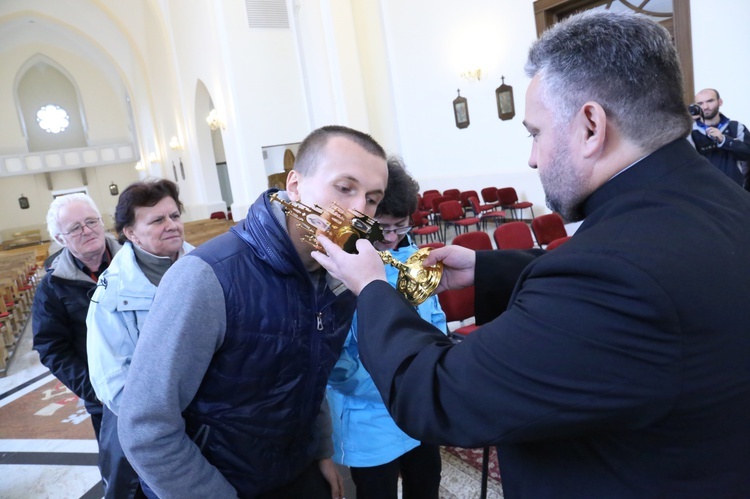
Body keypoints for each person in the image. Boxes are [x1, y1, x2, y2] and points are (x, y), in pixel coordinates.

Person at [312, 11, 750, 498]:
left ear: (590, 126)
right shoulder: (721, 201)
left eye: (535, 132)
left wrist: (373, 288)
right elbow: (644, 275)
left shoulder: (616, 273)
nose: (533, 158)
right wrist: (484, 270)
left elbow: (441, 397)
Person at [118, 125, 388, 498]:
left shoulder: (339, 276)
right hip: (219, 483)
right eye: (345, 188)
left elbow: (312, 374)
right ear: (295, 184)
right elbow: (145, 426)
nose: (359, 210)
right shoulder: (207, 276)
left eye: (372, 199)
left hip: (298, 472)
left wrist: (321, 452)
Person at [326, 157, 445, 499]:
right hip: (370, 420)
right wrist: (404, 385)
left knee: (426, 485)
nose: (393, 238)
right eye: (384, 229)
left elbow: (434, 322)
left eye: (401, 227)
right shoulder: (340, 271)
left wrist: (428, 375)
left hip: (419, 411)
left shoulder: (411, 259)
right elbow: (338, 365)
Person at [86, 179, 193, 497]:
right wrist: (167, 424)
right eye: (157, 220)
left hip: (217, 420)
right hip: (158, 435)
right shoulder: (112, 295)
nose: (171, 225)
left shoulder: (209, 266)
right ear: (130, 233)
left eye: (174, 216)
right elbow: (115, 384)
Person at [31, 193, 125, 489]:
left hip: (156, 381)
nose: (87, 230)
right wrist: (94, 389)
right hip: (103, 399)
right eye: (74, 228)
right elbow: (51, 348)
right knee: (122, 470)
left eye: (91, 221)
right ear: (60, 239)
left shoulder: (134, 259)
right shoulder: (53, 287)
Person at [689, 88, 750, 189]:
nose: (705, 107)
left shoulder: (736, 127)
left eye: (710, 101)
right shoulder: (690, 131)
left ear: (720, 102)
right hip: (703, 189)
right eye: (700, 103)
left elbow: (748, 153)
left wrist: (724, 140)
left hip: (734, 189)